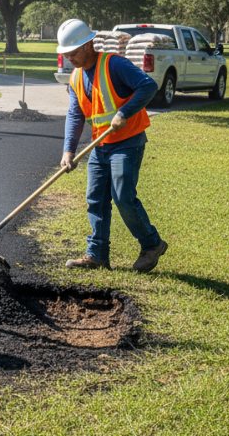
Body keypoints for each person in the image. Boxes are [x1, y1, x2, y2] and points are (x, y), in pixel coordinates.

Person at [57, 18, 167, 272]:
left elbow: (148, 85)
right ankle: (97, 255)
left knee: (123, 196)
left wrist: (125, 112)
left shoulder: (114, 64)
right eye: (65, 53)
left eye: (72, 52)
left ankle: (152, 244)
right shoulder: (75, 77)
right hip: (100, 145)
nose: (69, 57)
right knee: (95, 199)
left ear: (87, 45)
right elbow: (75, 114)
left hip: (127, 142)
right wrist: (68, 150)